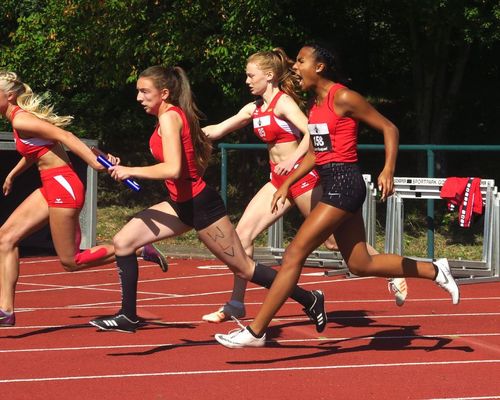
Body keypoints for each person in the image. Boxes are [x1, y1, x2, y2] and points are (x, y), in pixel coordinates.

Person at [215, 43, 459, 348]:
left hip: (345, 185)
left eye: (301, 62)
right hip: (332, 183)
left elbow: (389, 128)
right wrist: (287, 183)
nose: (295, 67)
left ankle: (256, 332)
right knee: (361, 264)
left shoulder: (342, 96)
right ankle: (436, 269)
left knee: (294, 254)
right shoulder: (316, 107)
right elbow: (317, 154)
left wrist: (388, 169)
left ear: (319, 67)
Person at [89, 65, 327, 333]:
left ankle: (309, 298)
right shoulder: (166, 117)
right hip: (180, 204)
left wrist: (130, 170)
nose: (139, 98)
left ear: (164, 93)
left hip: (201, 206)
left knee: (244, 268)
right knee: (123, 242)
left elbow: (173, 169)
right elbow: (193, 160)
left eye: (145, 92)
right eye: (138, 91)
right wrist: (120, 164)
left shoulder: (170, 118)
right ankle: (128, 316)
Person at [202, 48, 407, 323]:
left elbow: (313, 132)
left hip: (303, 177)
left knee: (334, 242)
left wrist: (294, 161)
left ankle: (390, 268)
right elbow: (216, 129)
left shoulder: (284, 103)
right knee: (242, 235)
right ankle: (236, 303)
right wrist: (186, 131)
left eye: (251, 76)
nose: (247, 81)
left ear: (269, 76)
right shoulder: (254, 108)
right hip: (278, 179)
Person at [0, 71, 167, 327]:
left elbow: (64, 137)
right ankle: (6, 311)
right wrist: (13, 174)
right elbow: (35, 150)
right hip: (51, 184)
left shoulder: (22, 120)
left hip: (62, 186)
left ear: (9, 96)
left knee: (70, 261)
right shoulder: (18, 121)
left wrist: (93, 163)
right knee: (5, 238)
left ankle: (136, 249)